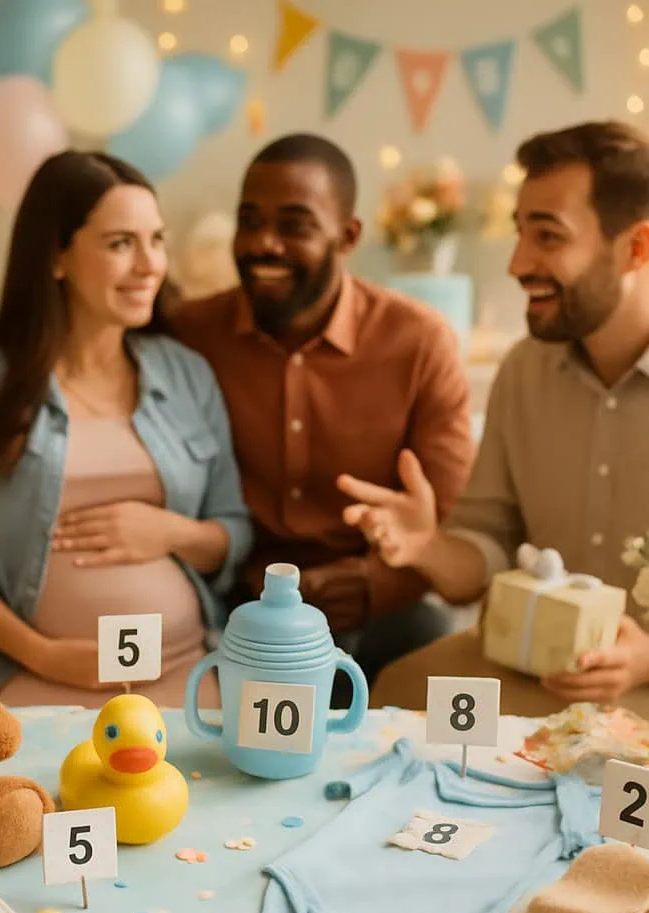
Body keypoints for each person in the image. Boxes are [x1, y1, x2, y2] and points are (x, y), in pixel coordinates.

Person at [360, 120, 649, 723]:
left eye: (548, 237)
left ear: (637, 248)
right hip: (527, 677)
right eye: (520, 234)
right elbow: (484, 551)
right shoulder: (524, 370)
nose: (517, 263)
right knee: (397, 692)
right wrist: (428, 547)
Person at [0, 150, 250, 708]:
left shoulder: (187, 373)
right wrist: (41, 654)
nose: (150, 265)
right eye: (120, 244)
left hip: (185, 672)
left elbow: (233, 529)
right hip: (32, 677)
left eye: (156, 240)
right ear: (56, 257)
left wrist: (169, 532)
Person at [168, 133, 475, 702]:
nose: (264, 244)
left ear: (348, 236)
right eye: (249, 221)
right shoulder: (189, 333)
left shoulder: (418, 342)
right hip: (229, 604)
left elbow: (453, 524)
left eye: (294, 225)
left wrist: (373, 583)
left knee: (431, 650)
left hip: (377, 608)